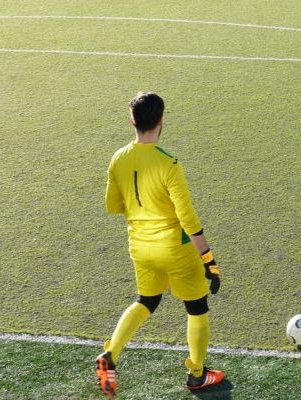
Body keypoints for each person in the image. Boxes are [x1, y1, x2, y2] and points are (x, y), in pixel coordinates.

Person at [95, 91, 225, 397]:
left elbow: (112, 206)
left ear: (132, 121)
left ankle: (110, 354)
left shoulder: (118, 158)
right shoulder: (169, 163)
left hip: (140, 247)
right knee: (196, 306)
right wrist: (208, 258)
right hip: (175, 249)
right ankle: (197, 374)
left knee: (147, 300)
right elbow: (187, 217)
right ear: (162, 120)